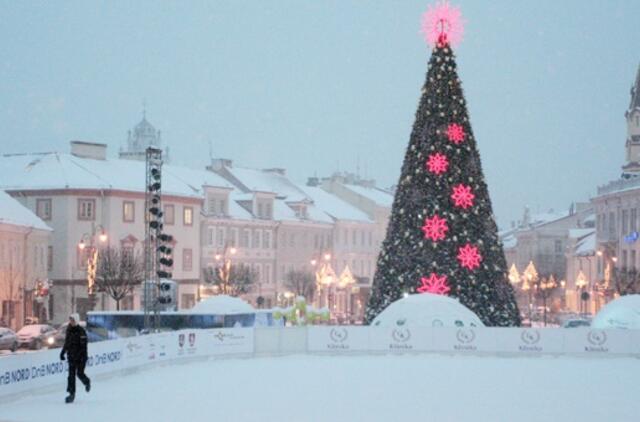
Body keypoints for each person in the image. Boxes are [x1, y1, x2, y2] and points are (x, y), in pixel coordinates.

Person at [59, 313, 91, 403]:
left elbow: (84, 346)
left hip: (81, 357)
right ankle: (71, 394)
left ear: (76, 320)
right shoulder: (69, 330)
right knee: (71, 376)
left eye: (73, 320)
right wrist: (63, 352)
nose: (71, 322)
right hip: (71, 356)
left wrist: (81, 356)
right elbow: (67, 342)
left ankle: (87, 382)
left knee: (80, 373)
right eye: (70, 320)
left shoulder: (81, 331)